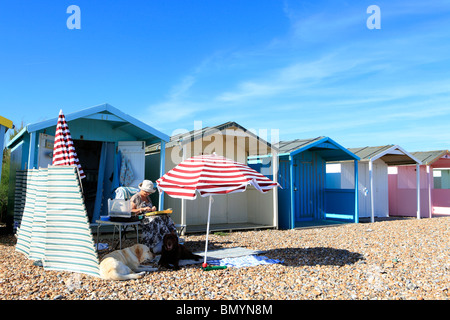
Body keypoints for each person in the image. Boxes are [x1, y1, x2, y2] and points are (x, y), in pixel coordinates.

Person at [131, 180, 177, 254]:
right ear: (142, 189)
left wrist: (152, 209)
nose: (148, 193)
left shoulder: (148, 198)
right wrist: (142, 209)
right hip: (141, 219)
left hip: (150, 217)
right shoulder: (135, 197)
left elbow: (150, 211)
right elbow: (131, 211)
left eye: (149, 192)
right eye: (146, 191)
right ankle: (165, 239)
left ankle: (172, 236)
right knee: (157, 219)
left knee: (166, 217)